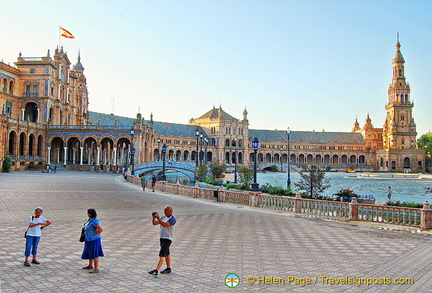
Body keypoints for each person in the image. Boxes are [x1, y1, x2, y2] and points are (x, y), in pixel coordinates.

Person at [148, 205, 177, 276]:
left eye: (166, 210)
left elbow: (164, 224)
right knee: (167, 253)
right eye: (164, 210)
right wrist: (154, 218)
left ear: (170, 211)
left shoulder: (172, 219)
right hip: (162, 238)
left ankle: (156, 270)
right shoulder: (163, 217)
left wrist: (158, 217)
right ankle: (168, 268)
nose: (164, 211)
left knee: (162, 255)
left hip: (167, 239)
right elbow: (155, 223)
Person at [81, 208, 104, 273]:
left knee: (94, 253)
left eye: (88, 213)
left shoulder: (94, 221)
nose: (87, 214)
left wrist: (95, 234)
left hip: (94, 240)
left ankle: (96, 268)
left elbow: (100, 229)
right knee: (89, 252)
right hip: (88, 239)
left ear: (90, 214)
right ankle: (90, 265)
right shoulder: (90, 220)